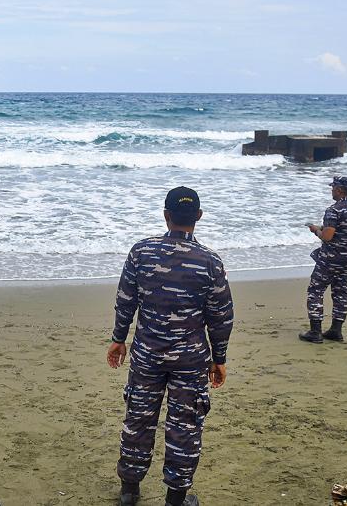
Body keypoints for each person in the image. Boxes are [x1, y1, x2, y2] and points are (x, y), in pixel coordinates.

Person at [106, 186, 233, 506]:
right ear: (198, 217)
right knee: (185, 425)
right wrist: (219, 358)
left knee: (138, 418)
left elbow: (126, 301)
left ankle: (129, 491)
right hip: (190, 359)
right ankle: (176, 498)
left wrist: (119, 338)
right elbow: (221, 315)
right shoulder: (209, 262)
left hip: (147, 354)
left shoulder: (141, 252)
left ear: (166, 215)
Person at [299, 175, 347, 343]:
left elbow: (327, 237)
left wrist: (315, 230)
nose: (332, 190)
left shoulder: (333, 210)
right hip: (346, 258)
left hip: (329, 259)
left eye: (333, 188)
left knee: (315, 291)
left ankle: (315, 332)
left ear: (339, 190)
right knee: (340, 292)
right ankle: (336, 330)